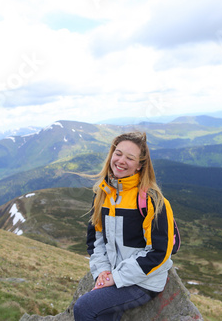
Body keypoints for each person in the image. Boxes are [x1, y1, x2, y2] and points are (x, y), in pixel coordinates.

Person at [73, 131, 176, 320]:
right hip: (114, 274)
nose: (121, 161)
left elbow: (159, 252)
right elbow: (96, 241)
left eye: (130, 158)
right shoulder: (102, 194)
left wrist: (116, 278)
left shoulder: (152, 200)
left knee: (85, 308)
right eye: (118, 153)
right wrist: (102, 272)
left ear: (140, 165)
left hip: (144, 281)